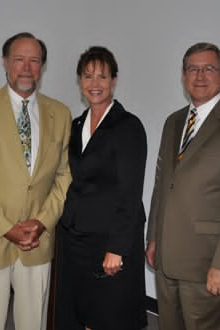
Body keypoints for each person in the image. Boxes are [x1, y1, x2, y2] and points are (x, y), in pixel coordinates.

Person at [146, 42, 220, 330]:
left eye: (209, 68)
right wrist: (153, 237)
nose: (200, 76)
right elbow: (162, 185)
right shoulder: (173, 122)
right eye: (193, 69)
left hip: (209, 264)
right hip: (167, 260)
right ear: (183, 75)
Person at [0, 32, 72, 330]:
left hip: (38, 239)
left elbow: (64, 175)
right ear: (5, 63)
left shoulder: (60, 114)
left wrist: (42, 222)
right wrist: (6, 228)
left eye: (34, 60)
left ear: (43, 67)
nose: (26, 67)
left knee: (33, 321)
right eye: (19, 59)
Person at [55, 46, 148, 330]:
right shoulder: (75, 125)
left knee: (108, 317)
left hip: (109, 241)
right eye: (88, 76)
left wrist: (117, 249)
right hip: (74, 239)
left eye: (102, 77)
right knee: (76, 313)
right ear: (79, 82)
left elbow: (130, 193)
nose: (94, 84)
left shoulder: (128, 127)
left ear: (114, 81)